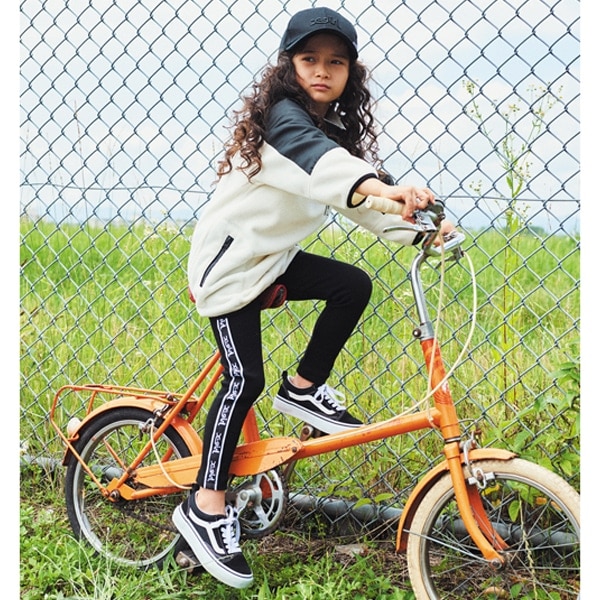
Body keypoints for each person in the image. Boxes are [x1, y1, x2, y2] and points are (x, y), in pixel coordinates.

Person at [172, 6, 455, 589]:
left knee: (351, 285)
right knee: (243, 380)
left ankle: (302, 389)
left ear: (351, 72)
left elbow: (355, 196)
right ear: (288, 67)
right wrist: (383, 186)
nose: (322, 71)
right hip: (229, 270)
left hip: (270, 262)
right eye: (309, 59)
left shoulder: (332, 135)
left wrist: (421, 230)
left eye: (336, 62)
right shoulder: (283, 121)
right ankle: (204, 506)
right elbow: (330, 170)